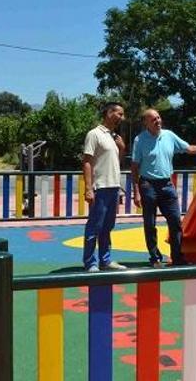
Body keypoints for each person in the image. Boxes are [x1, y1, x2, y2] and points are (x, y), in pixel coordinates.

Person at [132, 109, 196, 267]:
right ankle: (155, 257)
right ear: (146, 124)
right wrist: (136, 191)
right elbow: (135, 166)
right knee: (150, 223)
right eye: (153, 120)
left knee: (175, 221)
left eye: (158, 118)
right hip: (148, 184)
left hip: (167, 185)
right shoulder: (139, 140)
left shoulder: (169, 135)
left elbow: (189, 148)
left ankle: (177, 257)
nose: (157, 121)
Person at [82, 102, 127, 272]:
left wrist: (122, 148)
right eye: (119, 114)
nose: (122, 118)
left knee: (107, 227)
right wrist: (88, 188)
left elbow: (115, 161)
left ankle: (105, 260)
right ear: (109, 113)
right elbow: (87, 161)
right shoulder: (94, 134)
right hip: (100, 187)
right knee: (94, 226)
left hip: (113, 187)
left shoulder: (113, 136)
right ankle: (90, 262)